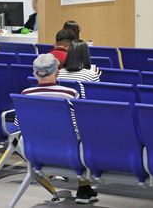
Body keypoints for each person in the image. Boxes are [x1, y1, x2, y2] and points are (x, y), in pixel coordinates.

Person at [17, 54, 98, 204]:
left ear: (34, 74)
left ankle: (85, 189)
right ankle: (84, 188)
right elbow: (81, 124)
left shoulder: (24, 95)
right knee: (85, 138)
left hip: (35, 152)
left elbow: (18, 124)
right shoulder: (70, 94)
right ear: (57, 72)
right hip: (69, 152)